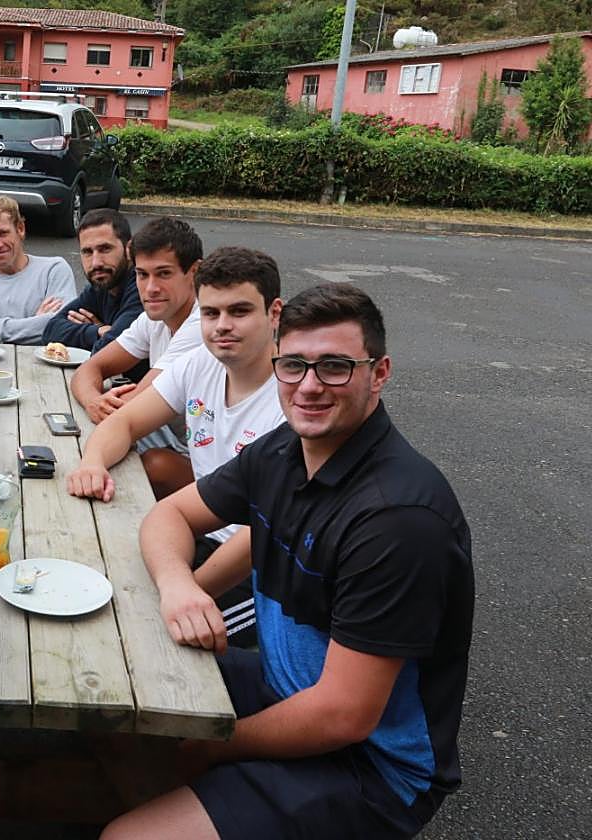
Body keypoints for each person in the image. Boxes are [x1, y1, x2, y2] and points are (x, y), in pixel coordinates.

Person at [101, 283, 474, 840]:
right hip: (283, 686)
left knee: (126, 837)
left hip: (369, 767)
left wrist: (212, 746)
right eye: (294, 365)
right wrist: (180, 585)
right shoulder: (281, 452)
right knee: (112, 700)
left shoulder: (398, 521)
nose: (310, 386)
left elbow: (342, 716)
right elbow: (166, 519)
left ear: (381, 372)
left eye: (335, 367)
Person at [68, 247, 286, 646]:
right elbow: (127, 421)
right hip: (194, 534)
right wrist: (93, 463)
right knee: (84, 579)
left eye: (239, 312)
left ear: (274, 314)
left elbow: (260, 535)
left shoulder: (295, 401)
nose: (222, 326)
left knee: (144, 637)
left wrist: (180, 590)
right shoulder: (199, 363)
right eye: (210, 313)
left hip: (256, 575)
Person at [69, 216, 205, 488]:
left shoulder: (202, 324)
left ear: (194, 272)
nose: (151, 288)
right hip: (170, 435)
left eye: (164, 273)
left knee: (143, 466)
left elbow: (132, 405)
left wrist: (103, 406)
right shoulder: (154, 318)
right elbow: (89, 369)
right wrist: (93, 400)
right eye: (142, 275)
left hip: (206, 461)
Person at [0, 195, 76, 345]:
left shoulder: (54, 270)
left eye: (3, 233)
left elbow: (63, 327)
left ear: (20, 229)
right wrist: (35, 324)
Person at [41, 208, 145, 361]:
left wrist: (106, 336)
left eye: (105, 249)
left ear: (129, 249)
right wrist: (97, 331)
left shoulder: (142, 288)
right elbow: (51, 331)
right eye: (87, 252)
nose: (96, 263)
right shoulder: (99, 286)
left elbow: (112, 348)